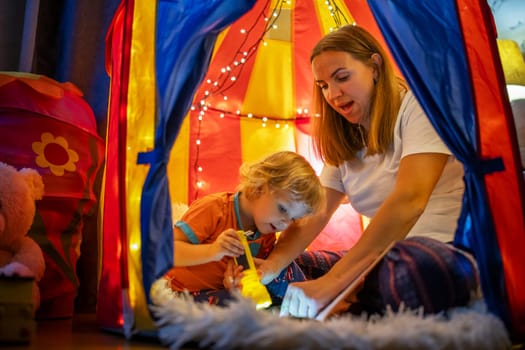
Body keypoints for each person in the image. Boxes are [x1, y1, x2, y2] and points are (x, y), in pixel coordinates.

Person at [249, 25, 480, 318]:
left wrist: (333, 282)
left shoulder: (419, 109)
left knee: (408, 272)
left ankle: (354, 298)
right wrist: (272, 265)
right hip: (377, 261)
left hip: (438, 254)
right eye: (323, 85)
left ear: (374, 66)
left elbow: (410, 201)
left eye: (342, 77)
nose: (333, 94)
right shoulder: (345, 138)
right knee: (283, 274)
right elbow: (317, 213)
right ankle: (357, 297)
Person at [164, 150, 333, 306]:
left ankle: (308, 301)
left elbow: (242, 276)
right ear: (259, 186)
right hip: (180, 291)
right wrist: (212, 251)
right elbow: (168, 252)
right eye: (282, 209)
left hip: (218, 292)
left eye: (293, 219)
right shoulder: (215, 209)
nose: (284, 223)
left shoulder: (266, 230)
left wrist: (237, 282)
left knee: (280, 276)